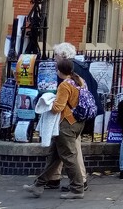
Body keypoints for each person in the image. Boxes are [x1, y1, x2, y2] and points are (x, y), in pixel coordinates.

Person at [24, 58, 87, 200]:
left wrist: (46, 103)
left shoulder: (65, 85)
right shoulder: (79, 81)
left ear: (60, 71)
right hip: (77, 122)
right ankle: (39, 185)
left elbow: (58, 107)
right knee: (54, 156)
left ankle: (77, 188)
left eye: (57, 69)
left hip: (66, 124)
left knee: (69, 157)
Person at [42, 43, 98, 193]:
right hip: (78, 114)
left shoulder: (67, 71)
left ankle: (81, 181)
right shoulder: (81, 67)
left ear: (63, 56)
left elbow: (64, 97)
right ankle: (53, 178)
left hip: (70, 118)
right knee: (60, 148)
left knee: (72, 148)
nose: (54, 59)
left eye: (56, 55)